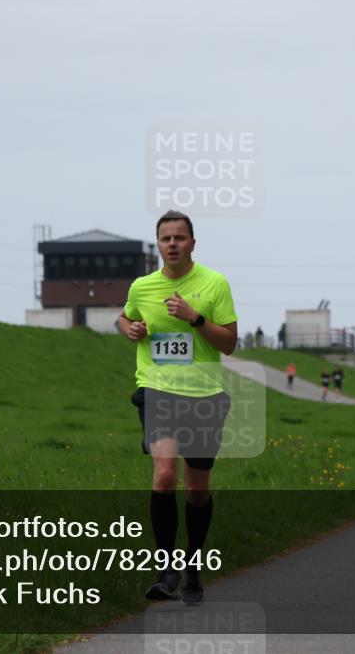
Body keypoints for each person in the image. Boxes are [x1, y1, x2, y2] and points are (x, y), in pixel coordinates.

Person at [119, 210, 238, 605]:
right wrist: (131, 329)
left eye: (180, 237)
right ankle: (166, 568)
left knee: (197, 490)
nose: (172, 244)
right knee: (165, 474)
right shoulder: (142, 287)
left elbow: (229, 343)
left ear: (192, 243)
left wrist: (196, 318)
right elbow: (125, 317)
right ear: (158, 244)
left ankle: (192, 564)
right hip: (157, 391)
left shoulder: (214, 283)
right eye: (166, 238)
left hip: (204, 396)